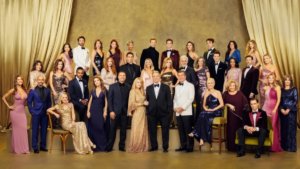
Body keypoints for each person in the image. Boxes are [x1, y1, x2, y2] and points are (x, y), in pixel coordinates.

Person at [189, 78, 224, 146]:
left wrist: (213, 109)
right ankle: (202, 138)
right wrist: (206, 109)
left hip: (216, 111)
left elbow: (222, 104)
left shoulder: (218, 92)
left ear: (214, 84)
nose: (210, 84)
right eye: (208, 83)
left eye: (211, 83)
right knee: (203, 113)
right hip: (208, 111)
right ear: (207, 85)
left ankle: (195, 133)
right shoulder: (206, 93)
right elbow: (204, 105)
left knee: (203, 114)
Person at [2, 75, 29, 154]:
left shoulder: (25, 89)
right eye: (18, 79)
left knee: (23, 129)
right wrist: (9, 106)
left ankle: (24, 149)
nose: (20, 80)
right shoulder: (13, 90)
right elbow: (3, 97)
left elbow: (25, 101)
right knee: (17, 131)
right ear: (16, 81)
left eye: (21, 79)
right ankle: (18, 149)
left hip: (22, 112)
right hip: (15, 112)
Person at [146, 71, 173, 152]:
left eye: (157, 76)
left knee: (165, 130)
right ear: (152, 78)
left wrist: (169, 112)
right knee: (152, 130)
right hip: (152, 113)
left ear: (160, 77)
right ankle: (154, 146)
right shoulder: (148, 88)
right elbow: (147, 100)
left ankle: (165, 147)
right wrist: (148, 111)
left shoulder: (166, 87)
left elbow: (169, 101)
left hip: (164, 113)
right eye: (153, 76)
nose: (155, 77)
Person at [106, 71, 130, 152]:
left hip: (124, 112)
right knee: (112, 130)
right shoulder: (112, 86)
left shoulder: (128, 86)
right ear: (118, 76)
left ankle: (121, 147)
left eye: (124, 75)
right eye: (120, 75)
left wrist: (128, 110)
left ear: (125, 77)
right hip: (114, 112)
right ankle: (109, 146)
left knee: (123, 131)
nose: (122, 76)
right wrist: (111, 111)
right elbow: (110, 100)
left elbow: (129, 100)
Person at [27, 74, 51, 153]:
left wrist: (48, 110)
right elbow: (29, 102)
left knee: (44, 130)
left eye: (42, 80)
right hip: (36, 113)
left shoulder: (47, 90)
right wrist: (32, 111)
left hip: (45, 113)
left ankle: (43, 146)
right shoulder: (32, 90)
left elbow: (49, 102)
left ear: (44, 81)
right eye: (39, 80)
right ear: (37, 81)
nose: (40, 81)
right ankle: (35, 147)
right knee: (35, 130)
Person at [222, 80, 248, 151]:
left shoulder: (240, 93)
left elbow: (246, 103)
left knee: (239, 130)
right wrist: (228, 104)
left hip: (239, 116)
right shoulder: (225, 94)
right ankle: (231, 147)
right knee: (230, 131)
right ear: (228, 86)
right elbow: (221, 104)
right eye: (231, 86)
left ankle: (239, 146)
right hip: (229, 116)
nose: (232, 87)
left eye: (233, 85)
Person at [173, 71, 195, 152]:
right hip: (178, 112)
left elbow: (191, 98)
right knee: (181, 130)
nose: (181, 77)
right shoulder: (177, 86)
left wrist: (182, 108)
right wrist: (175, 108)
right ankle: (183, 145)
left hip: (186, 111)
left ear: (185, 76)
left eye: (182, 75)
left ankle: (190, 146)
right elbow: (175, 98)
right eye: (179, 75)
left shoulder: (190, 85)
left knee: (188, 129)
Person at [127, 78, 149, 153]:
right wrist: (143, 103)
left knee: (142, 129)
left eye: (140, 83)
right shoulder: (132, 91)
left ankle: (142, 146)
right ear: (135, 83)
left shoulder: (142, 91)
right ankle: (136, 146)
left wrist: (145, 103)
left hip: (143, 112)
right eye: (137, 82)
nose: (139, 84)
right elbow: (131, 104)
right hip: (137, 112)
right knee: (136, 129)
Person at [262, 73, 282, 152]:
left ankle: (274, 145)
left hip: (273, 108)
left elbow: (279, 100)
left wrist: (275, 109)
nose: (270, 79)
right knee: (266, 126)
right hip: (265, 108)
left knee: (273, 126)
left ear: (274, 79)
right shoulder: (265, 87)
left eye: (272, 78)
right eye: (269, 78)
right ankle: (266, 144)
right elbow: (265, 99)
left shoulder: (277, 87)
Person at [86, 76, 107, 152]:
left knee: (100, 128)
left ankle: (102, 147)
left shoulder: (104, 90)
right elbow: (90, 102)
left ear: (100, 81)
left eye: (97, 80)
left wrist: (105, 112)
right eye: (95, 81)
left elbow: (106, 103)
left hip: (100, 111)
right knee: (92, 129)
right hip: (92, 111)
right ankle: (94, 147)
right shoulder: (93, 90)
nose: (96, 82)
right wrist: (88, 111)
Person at [279, 75, 298, 152]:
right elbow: (279, 101)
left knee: (291, 129)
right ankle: (284, 147)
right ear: (284, 81)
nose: (287, 81)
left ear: (291, 81)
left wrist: (288, 109)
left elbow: (295, 100)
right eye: (286, 80)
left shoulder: (294, 89)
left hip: (291, 112)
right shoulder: (281, 89)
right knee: (284, 129)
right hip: (282, 112)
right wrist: (281, 109)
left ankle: (291, 147)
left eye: (288, 80)